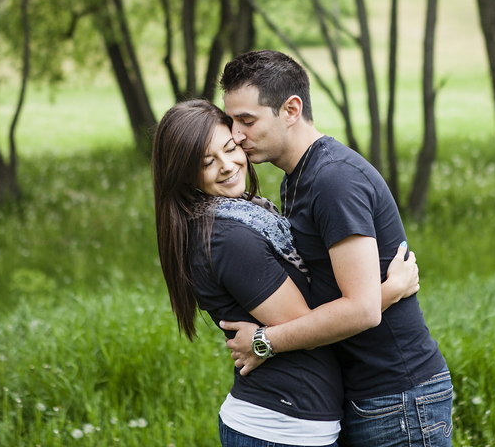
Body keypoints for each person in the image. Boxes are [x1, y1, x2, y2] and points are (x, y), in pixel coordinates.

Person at [151, 100, 420, 447]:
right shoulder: (226, 237)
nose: (227, 165)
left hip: (293, 422)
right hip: (279, 427)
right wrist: (389, 290)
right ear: (184, 175)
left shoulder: (247, 215)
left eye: (230, 148)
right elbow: (305, 324)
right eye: (206, 163)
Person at [219, 51, 454, 447]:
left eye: (247, 120)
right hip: (362, 396)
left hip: (397, 398)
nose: (236, 135)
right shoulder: (298, 178)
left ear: (291, 109)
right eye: (232, 121)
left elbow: (360, 309)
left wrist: (265, 341)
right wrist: (390, 289)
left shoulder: (333, 180)